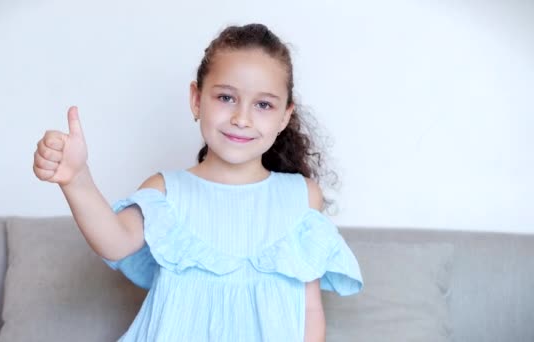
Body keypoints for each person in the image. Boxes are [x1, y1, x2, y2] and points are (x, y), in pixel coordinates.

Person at [33, 23, 363, 342]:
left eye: (263, 104)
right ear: (196, 99)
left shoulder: (301, 197)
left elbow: (308, 310)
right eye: (226, 98)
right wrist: (77, 179)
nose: (242, 118)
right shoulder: (166, 191)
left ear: (284, 117)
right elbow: (114, 241)